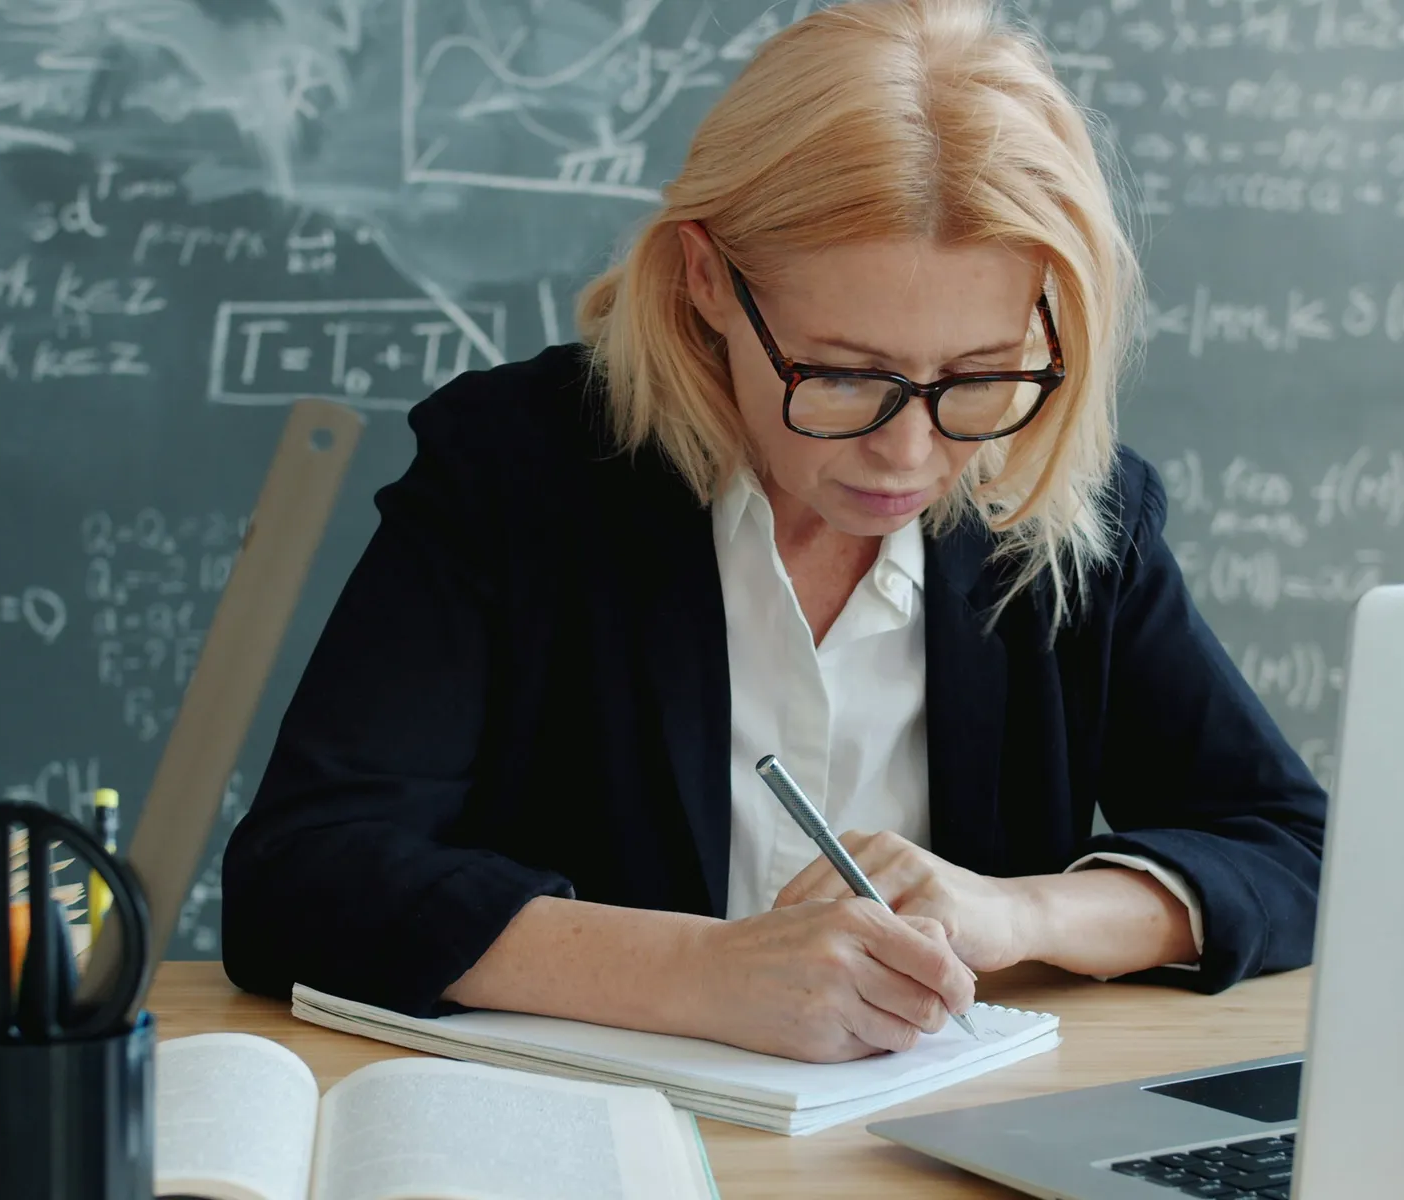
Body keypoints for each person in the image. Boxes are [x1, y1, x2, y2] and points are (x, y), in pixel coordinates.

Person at [221, 0, 1327, 1065]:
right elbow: (301, 880)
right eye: (845, 376)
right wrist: (700, 974)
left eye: (982, 377)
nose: (909, 455)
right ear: (707, 279)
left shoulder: (1061, 513)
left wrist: (1021, 913)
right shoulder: (517, 474)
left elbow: (1300, 853)